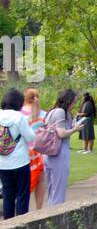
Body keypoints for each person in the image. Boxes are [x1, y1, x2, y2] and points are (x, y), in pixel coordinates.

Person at [44, 90, 85, 207]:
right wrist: (74, 130)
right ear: (68, 101)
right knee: (58, 189)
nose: (74, 104)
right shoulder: (60, 112)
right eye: (73, 102)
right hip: (59, 151)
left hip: (50, 153)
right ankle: (56, 215)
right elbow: (61, 133)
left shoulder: (54, 111)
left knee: (53, 188)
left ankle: (50, 213)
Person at [0, 88, 37, 219]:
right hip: (20, 162)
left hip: (3, 163)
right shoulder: (19, 117)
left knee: (7, 194)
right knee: (22, 194)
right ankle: (21, 223)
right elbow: (31, 138)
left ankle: (8, 224)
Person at [22, 88, 47, 210]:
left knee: (24, 184)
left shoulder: (20, 113)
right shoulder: (43, 114)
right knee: (40, 181)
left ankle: (22, 208)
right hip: (40, 152)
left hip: (25, 151)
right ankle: (39, 207)